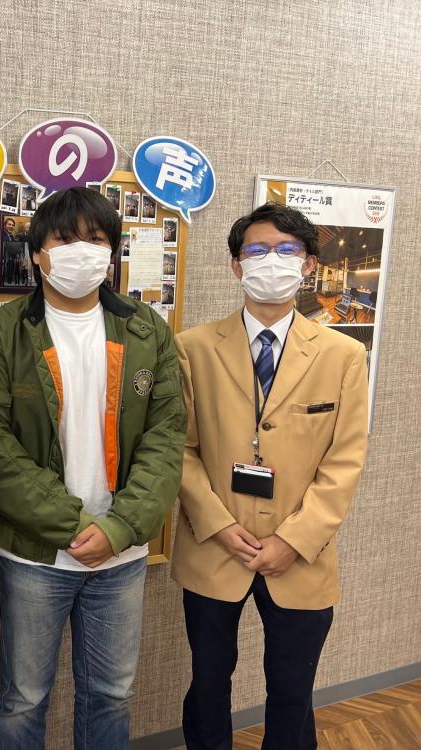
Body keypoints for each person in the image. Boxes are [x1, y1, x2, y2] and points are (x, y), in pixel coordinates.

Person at [0, 187, 185, 749]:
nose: (81, 251)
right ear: (37, 253)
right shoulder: (2, 333)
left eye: (95, 239)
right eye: (65, 240)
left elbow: (166, 438)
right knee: (22, 699)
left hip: (123, 553)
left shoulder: (146, 330)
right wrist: (71, 525)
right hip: (35, 553)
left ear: (112, 251)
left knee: (111, 694)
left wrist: (119, 527)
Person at [173, 202, 368, 750]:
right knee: (208, 685)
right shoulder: (192, 349)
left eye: (287, 250)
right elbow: (179, 450)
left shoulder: (343, 355)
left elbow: (345, 460)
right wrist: (217, 525)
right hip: (215, 548)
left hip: (300, 554)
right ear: (237, 265)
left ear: (308, 265)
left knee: (292, 691)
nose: (272, 261)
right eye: (257, 250)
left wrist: (293, 540)